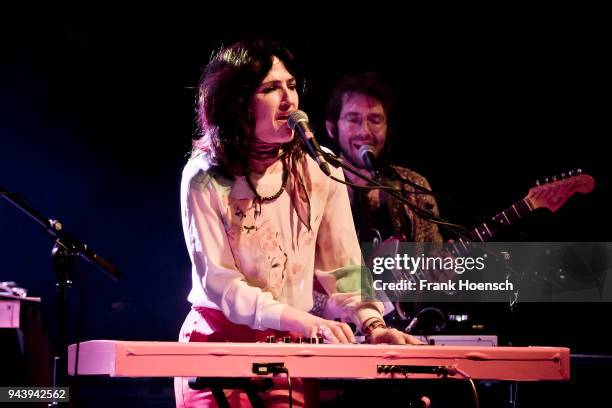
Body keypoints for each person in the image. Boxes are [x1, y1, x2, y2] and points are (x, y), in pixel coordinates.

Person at [175, 40, 422, 408]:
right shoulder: (204, 176)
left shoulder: (318, 168)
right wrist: (303, 321)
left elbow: (343, 267)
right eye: (271, 88)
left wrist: (373, 324)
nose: (289, 99)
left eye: (291, 85)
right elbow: (221, 284)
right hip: (218, 347)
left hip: (292, 348)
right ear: (238, 101)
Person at [310, 72, 445, 325]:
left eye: (375, 120)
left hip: (395, 330)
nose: (365, 131)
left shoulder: (412, 187)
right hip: (325, 329)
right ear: (331, 128)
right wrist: (326, 308)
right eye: (353, 119)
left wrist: (445, 272)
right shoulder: (312, 182)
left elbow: (435, 264)